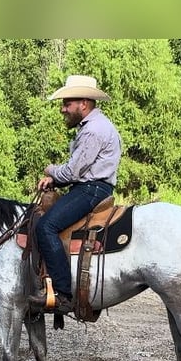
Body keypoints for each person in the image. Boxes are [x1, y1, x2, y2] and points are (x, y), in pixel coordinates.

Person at [29, 75, 122, 314]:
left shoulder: (93, 131)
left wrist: (49, 170)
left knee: (45, 227)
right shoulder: (97, 126)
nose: (63, 109)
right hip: (92, 186)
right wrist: (56, 178)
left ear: (84, 103)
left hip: (90, 190)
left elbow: (72, 171)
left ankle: (62, 294)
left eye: (67, 103)